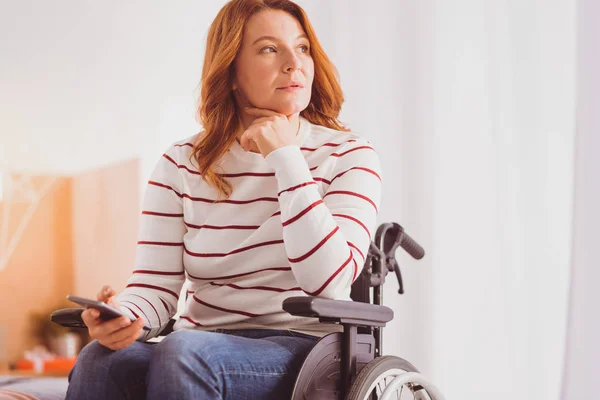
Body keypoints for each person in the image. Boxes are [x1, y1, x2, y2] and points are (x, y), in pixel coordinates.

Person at [66, 0, 382, 398]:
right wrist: (128, 315)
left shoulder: (349, 155)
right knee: (101, 359)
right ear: (231, 69)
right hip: (200, 343)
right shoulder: (181, 163)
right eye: (270, 49)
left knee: (185, 351)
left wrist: (285, 158)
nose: (293, 63)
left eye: (302, 48)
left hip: (303, 346)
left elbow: (330, 283)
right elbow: (155, 286)